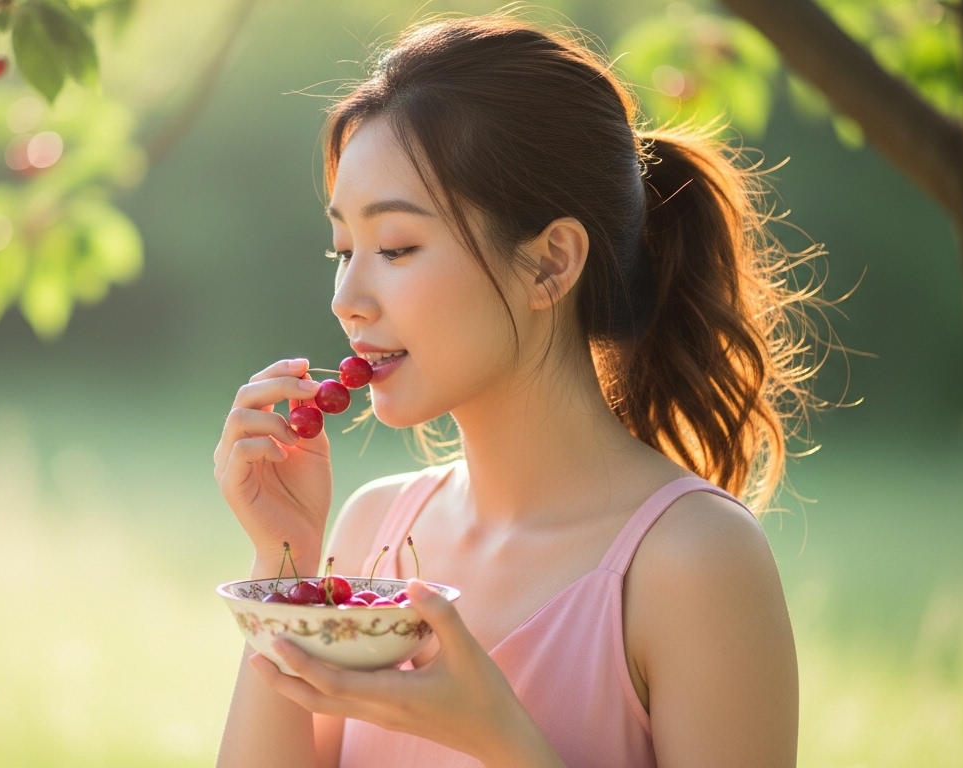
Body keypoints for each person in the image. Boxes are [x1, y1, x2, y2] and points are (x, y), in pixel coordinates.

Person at [213, 13, 810, 768]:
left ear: (551, 263)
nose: (347, 298)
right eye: (342, 248)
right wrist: (285, 561)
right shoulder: (372, 534)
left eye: (395, 247)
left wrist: (498, 738)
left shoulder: (693, 564)